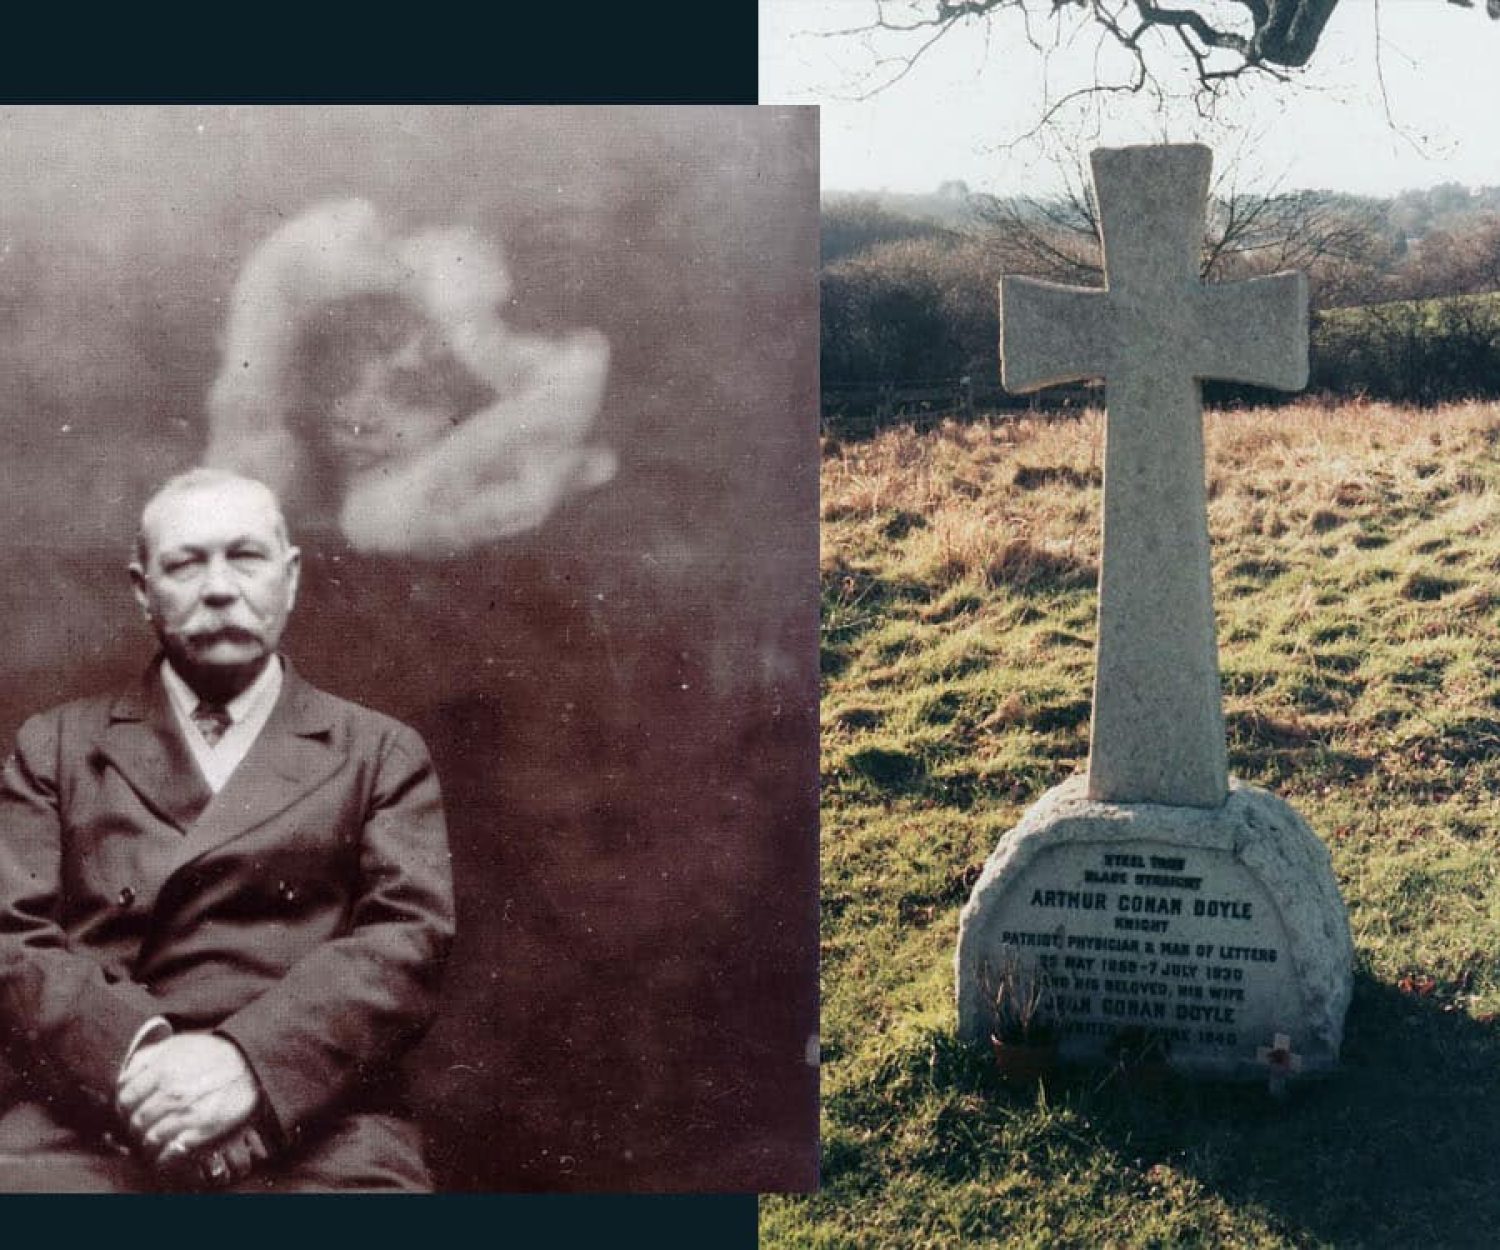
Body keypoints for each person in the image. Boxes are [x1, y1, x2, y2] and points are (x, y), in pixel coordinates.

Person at [0, 468, 455, 1192]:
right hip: (98, 1110)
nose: (218, 587)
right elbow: (11, 939)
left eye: (245, 556)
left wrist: (248, 1064)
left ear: (291, 577)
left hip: (311, 1113)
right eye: (185, 562)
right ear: (144, 588)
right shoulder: (54, 746)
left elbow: (406, 944)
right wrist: (141, 1059)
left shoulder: (378, 752)